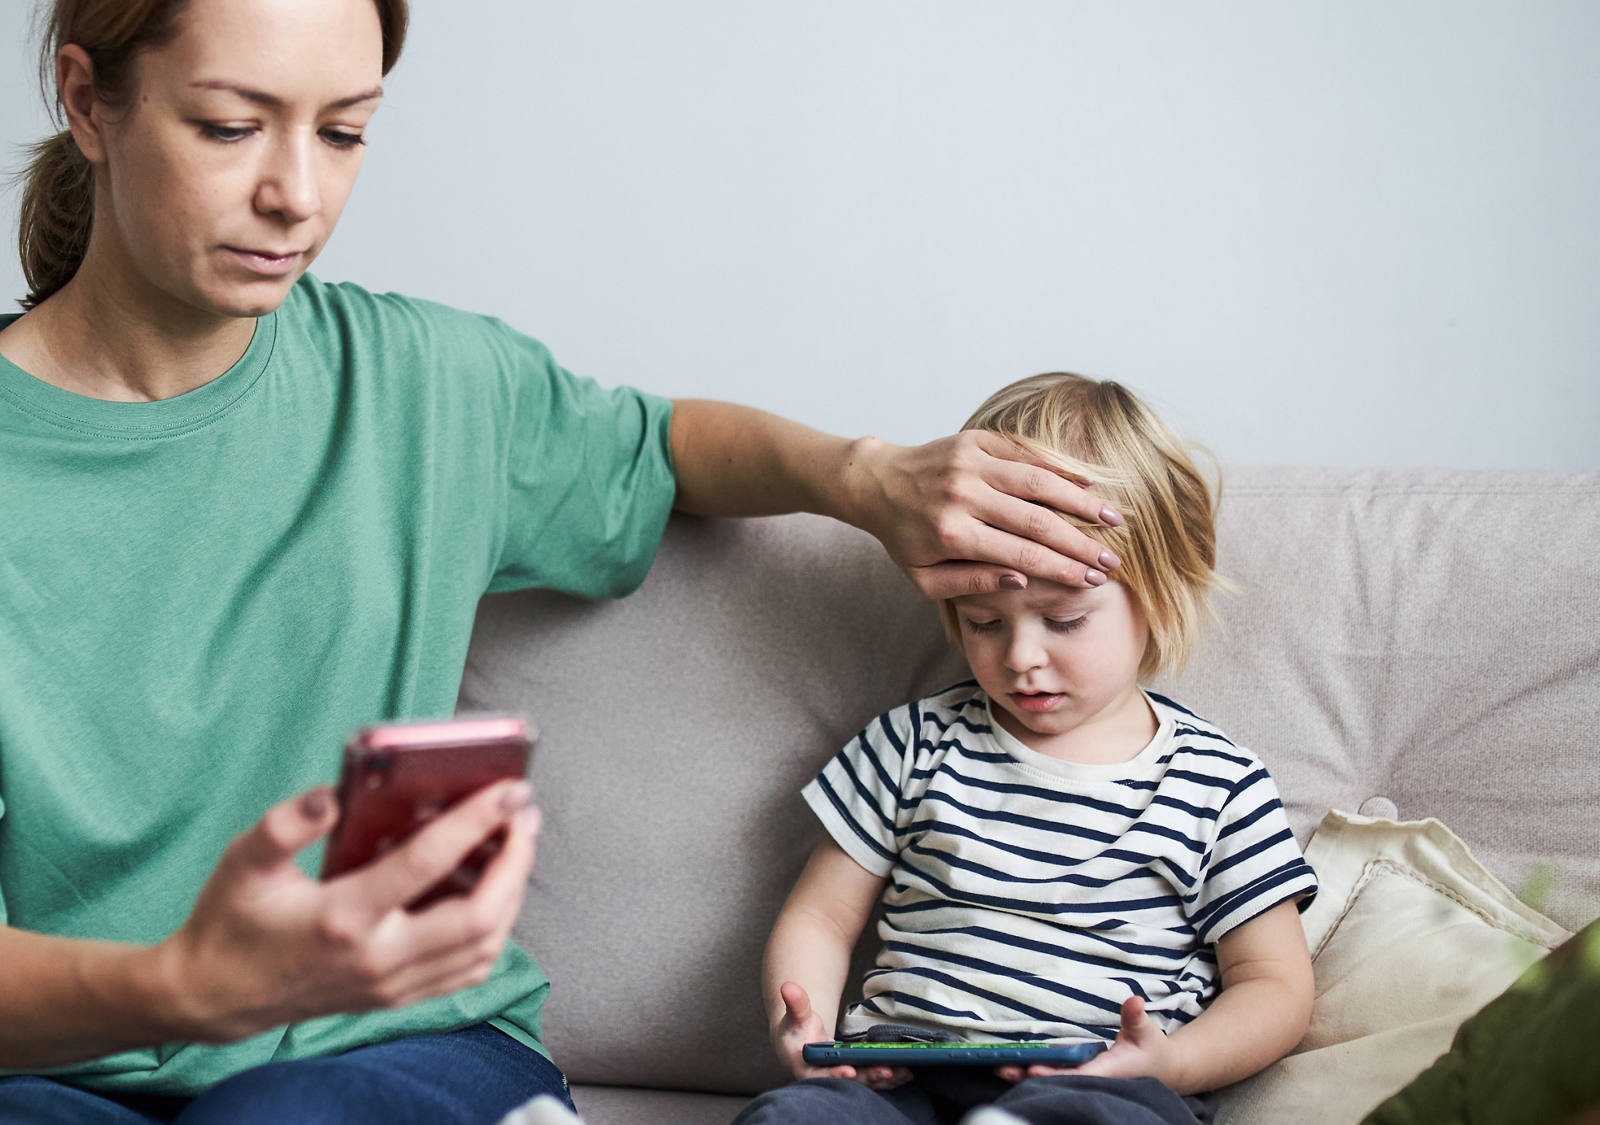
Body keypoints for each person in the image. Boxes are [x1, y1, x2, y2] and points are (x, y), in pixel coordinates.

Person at [0, 2, 1132, 1123]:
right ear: (89, 99)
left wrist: (859, 475)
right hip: (57, 1072)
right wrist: (182, 989)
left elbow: (661, 446)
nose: (297, 194)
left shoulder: (429, 386)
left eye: (343, 132)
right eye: (230, 126)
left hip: (399, 1050)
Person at [739, 373, 1320, 1125]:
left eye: (1064, 618)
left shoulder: (1220, 785)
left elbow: (1275, 987)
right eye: (984, 620)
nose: (1021, 657)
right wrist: (810, 1030)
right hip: (901, 1082)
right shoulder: (914, 744)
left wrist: (1172, 1060)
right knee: (794, 1118)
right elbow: (820, 919)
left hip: (1098, 1086)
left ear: (1163, 590)